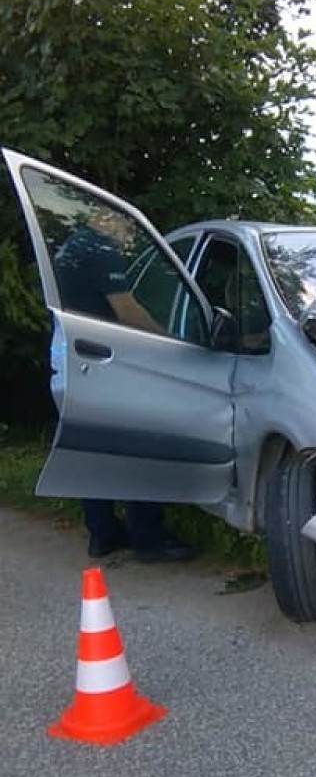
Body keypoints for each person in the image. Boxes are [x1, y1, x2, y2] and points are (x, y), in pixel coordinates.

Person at [54, 204, 194, 564]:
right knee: (139, 446)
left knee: (92, 449)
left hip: (71, 358)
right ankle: (148, 539)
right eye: (125, 228)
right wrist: (171, 345)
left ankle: (102, 534)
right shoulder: (101, 251)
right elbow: (127, 310)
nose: (127, 237)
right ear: (105, 219)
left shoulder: (68, 248)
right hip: (103, 361)